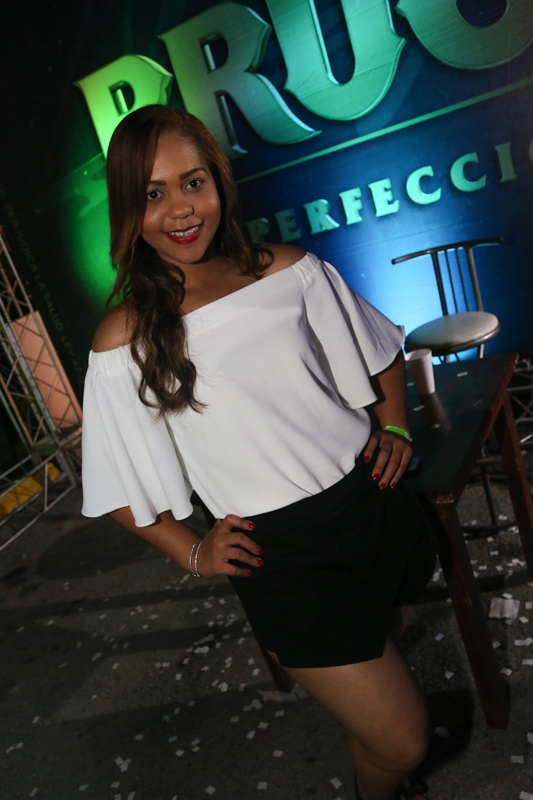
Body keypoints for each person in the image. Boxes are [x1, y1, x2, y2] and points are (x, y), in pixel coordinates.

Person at [81, 104, 436, 800]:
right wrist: (192, 552)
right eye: (153, 193)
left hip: (372, 504)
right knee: (404, 739)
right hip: (283, 556)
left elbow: (379, 349)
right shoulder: (123, 339)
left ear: (219, 181)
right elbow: (117, 487)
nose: (181, 209)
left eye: (193, 182)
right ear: (128, 209)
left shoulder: (290, 269)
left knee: (379, 702)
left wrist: (394, 429)